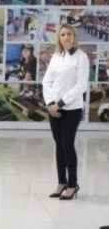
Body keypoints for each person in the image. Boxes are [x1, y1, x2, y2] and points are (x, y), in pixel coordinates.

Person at [42, 24, 88, 200]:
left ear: (74, 36)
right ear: (59, 38)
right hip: (53, 108)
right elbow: (47, 82)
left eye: (69, 34)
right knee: (59, 145)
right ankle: (61, 182)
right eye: (63, 34)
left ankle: (72, 184)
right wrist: (50, 103)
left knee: (67, 144)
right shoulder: (56, 56)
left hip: (71, 109)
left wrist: (60, 104)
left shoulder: (81, 57)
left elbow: (81, 86)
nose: (66, 37)